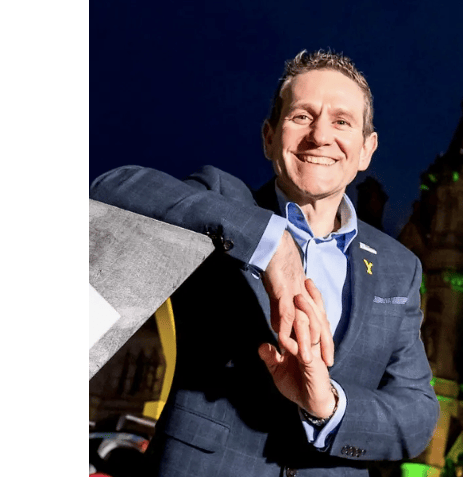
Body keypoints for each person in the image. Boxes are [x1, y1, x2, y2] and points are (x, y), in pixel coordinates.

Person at [90, 49, 438, 477]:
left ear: (367, 150)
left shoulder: (399, 267)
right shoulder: (223, 201)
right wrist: (268, 242)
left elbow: (418, 413)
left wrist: (327, 406)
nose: (320, 136)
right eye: (302, 117)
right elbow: (112, 189)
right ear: (269, 137)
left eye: (342, 122)